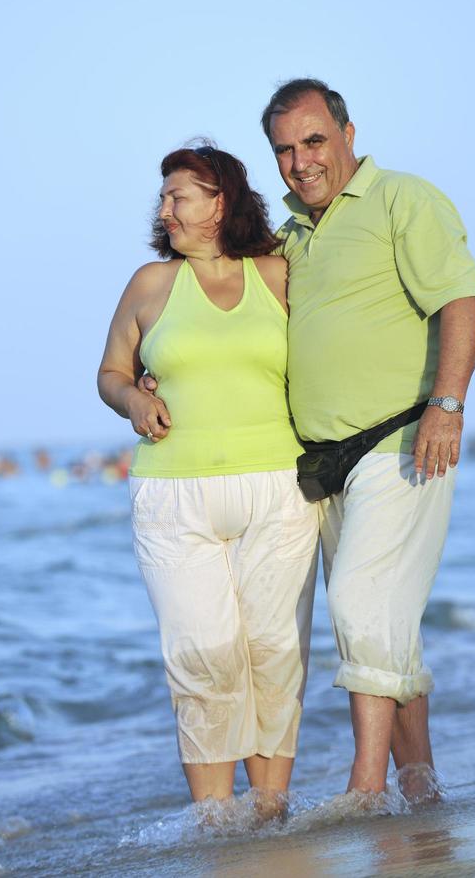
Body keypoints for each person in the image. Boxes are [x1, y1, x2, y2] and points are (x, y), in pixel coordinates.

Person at [259, 78, 475, 798]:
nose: (302, 162)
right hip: (325, 464)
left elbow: (462, 297)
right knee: (387, 623)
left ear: (349, 134)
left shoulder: (402, 199)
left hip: (405, 440)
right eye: (285, 150)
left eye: (314, 141)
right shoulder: (290, 235)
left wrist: (447, 406)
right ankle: (417, 781)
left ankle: (366, 788)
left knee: (358, 602)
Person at [97, 145, 319, 815]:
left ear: (220, 200)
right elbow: (110, 372)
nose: (165, 210)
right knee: (200, 657)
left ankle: (271, 812)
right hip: (172, 494)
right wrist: (133, 400)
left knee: (274, 651)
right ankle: (216, 824)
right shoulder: (149, 284)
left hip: (279, 488)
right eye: (164, 199)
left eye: (178, 196)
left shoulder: (280, 274)